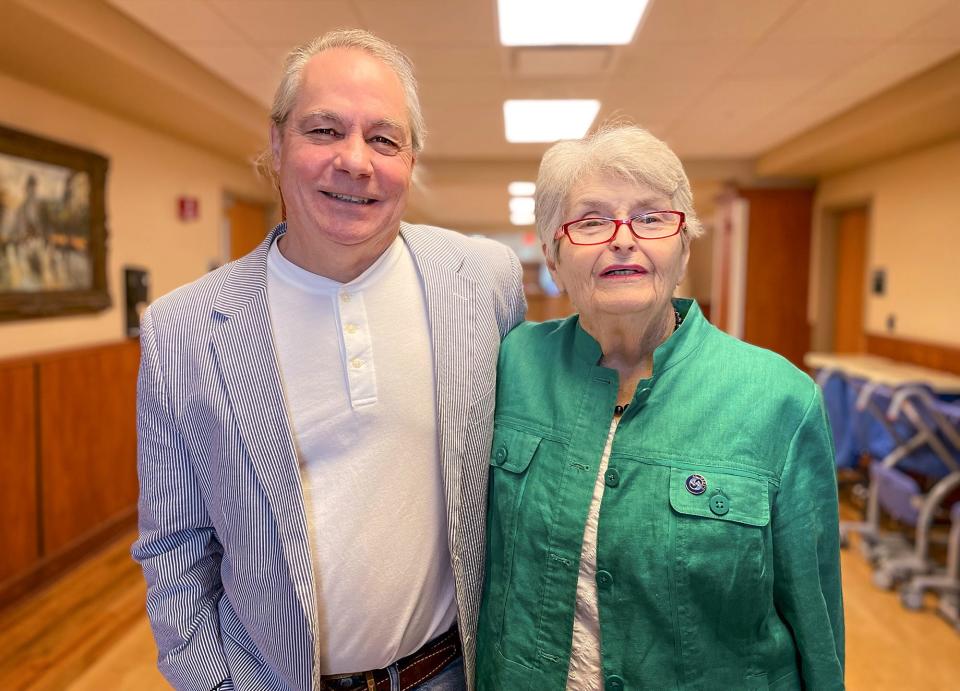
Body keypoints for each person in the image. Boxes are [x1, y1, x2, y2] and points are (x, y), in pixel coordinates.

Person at [132, 29, 525, 691]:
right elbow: (174, 548)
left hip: (454, 673)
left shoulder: (483, 279)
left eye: (383, 138)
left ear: (412, 158)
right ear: (278, 143)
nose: (356, 161)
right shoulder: (184, 330)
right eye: (324, 129)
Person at [476, 124, 844, 690]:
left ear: (684, 246)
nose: (624, 239)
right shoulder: (509, 367)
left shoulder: (780, 399)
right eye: (592, 220)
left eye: (650, 218)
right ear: (553, 256)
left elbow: (816, 625)